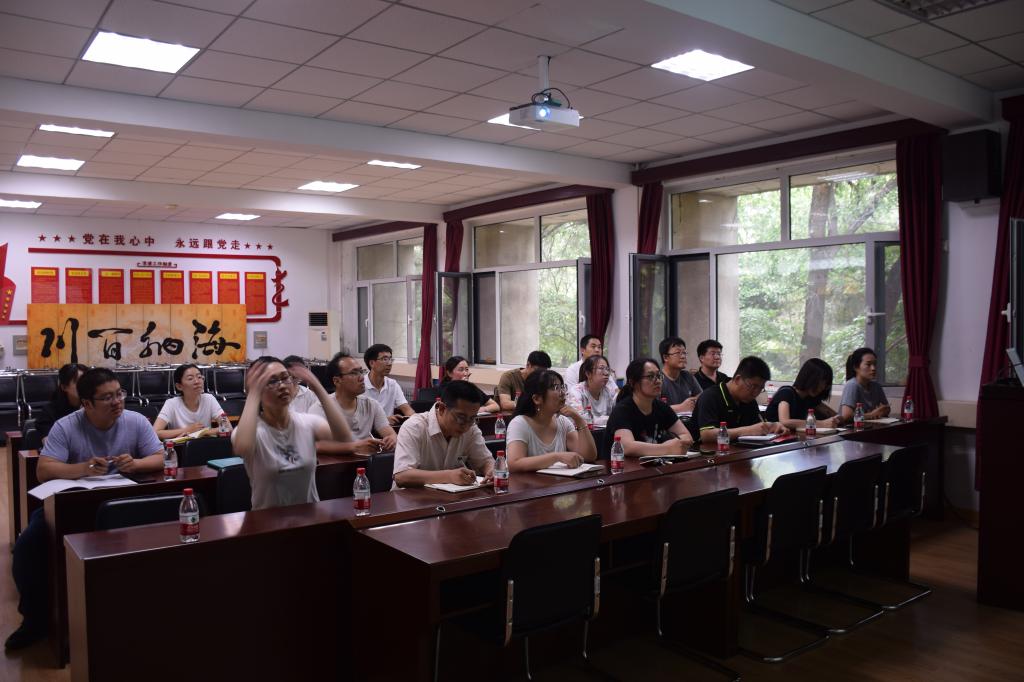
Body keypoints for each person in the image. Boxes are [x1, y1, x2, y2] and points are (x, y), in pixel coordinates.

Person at [7, 368, 164, 650]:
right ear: (87, 403)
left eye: (119, 394)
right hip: (73, 503)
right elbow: (44, 470)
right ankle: (35, 620)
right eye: (107, 397)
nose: (117, 402)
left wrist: (136, 464)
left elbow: (160, 457)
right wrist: (83, 469)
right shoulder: (66, 426)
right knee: (28, 547)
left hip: (122, 503)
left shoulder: (136, 421)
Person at [232, 357, 351, 510]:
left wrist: (317, 387)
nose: (282, 386)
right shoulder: (252, 431)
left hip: (309, 518)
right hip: (267, 520)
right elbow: (243, 447)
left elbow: (343, 437)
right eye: (272, 381)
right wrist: (253, 393)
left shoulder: (306, 422)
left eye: (285, 378)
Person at [392, 380, 495, 488]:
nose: (466, 426)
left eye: (472, 418)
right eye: (461, 418)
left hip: (449, 496)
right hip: (410, 497)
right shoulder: (414, 427)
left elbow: (485, 461)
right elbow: (402, 476)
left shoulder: (471, 429)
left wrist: (491, 471)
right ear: (441, 409)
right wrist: (449, 476)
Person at [506, 370, 596, 472]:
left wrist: (579, 420)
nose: (563, 393)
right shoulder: (519, 423)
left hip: (558, 482)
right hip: (527, 482)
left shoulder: (563, 422)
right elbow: (514, 463)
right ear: (537, 399)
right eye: (556, 388)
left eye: (562, 387)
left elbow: (588, 456)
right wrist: (556, 457)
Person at [605, 358, 694, 458]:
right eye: (651, 376)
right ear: (633, 382)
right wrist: (667, 449)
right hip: (625, 466)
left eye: (659, 376)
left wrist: (676, 443)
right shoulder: (622, 410)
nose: (658, 381)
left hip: (656, 463)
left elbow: (687, 437)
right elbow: (626, 446)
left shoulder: (662, 407)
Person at [312, 352, 397, 455]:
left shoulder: (371, 405)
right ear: (337, 381)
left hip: (367, 461)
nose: (362, 378)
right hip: (336, 462)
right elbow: (314, 445)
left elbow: (390, 433)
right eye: (354, 373)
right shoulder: (321, 407)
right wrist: (354, 447)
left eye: (361, 371)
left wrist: (391, 439)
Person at [692, 355, 788, 446]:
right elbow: (706, 435)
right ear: (738, 379)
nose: (756, 393)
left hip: (741, 452)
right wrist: (748, 430)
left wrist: (773, 426)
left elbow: (760, 427)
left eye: (760, 388)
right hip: (710, 454)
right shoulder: (710, 396)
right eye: (753, 386)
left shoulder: (749, 401)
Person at [154, 363, 228, 440]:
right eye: (190, 378)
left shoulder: (209, 399)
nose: (197, 381)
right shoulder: (171, 403)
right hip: (181, 446)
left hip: (205, 445)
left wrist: (202, 432)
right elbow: (155, 432)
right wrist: (187, 430)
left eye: (199, 377)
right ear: (179, 386)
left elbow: (227, 428)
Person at [765, 358, 840, 429]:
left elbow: (835, 416)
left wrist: (838, 419)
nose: (823, 388)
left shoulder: (810, 398)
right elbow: (785, 422)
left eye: (826, 384)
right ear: (809, 379)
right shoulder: (786, 392)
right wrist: (822, 424)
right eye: (821, 383)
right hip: (774, 435)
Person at [363, 344, 414, 426]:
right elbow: (357, 419)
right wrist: (383, 420)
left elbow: (406, 409)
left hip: (389, 430)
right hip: (367, 431)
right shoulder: (360, 385)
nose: (389, 363)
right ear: (372, 363)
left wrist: (418, 420)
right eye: (385, 359)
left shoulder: (392, 384)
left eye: (390, 359)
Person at [34, 362, 88, 438]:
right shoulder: (49, 413)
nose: (84, 386)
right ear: (64, 387)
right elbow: (51, 442)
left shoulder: (92, 408)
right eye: (79, 382)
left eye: (87, 382)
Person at [839, 347, 890, 423]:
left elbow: (886, 409)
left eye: (875, 364)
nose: (873, 368)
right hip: (851, 428)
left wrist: (883, 410)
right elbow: (847, 416)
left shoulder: (877, 386)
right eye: (868, 364)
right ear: (856, 367)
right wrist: (871, 414)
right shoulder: (852, 385)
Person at [659, 337, 701, 413]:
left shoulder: (688, 376)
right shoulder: (657, 379)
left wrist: (693, 401)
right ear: (665, 357)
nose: (683, 356)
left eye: (684, 353)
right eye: (678, 353)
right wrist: (680, 407)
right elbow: (652, 407)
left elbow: (701, 397)